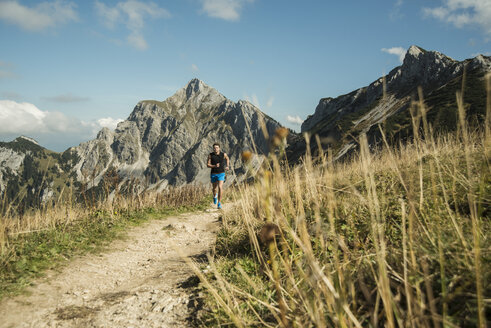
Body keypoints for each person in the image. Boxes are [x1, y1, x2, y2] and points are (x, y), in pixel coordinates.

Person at [207, 143, 229, 209]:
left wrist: (227, 166)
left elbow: (227, 158)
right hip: (213, 173)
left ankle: (219, 203)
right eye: (214, 148)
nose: (215, 149)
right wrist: (214, 166)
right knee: (214, 188)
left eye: (217, 147)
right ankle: (214, 196)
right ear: (213, 148)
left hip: (221, 173)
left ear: (219, 148)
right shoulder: (210, 155)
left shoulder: (223, 154)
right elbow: (208, 165)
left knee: (220, 187)